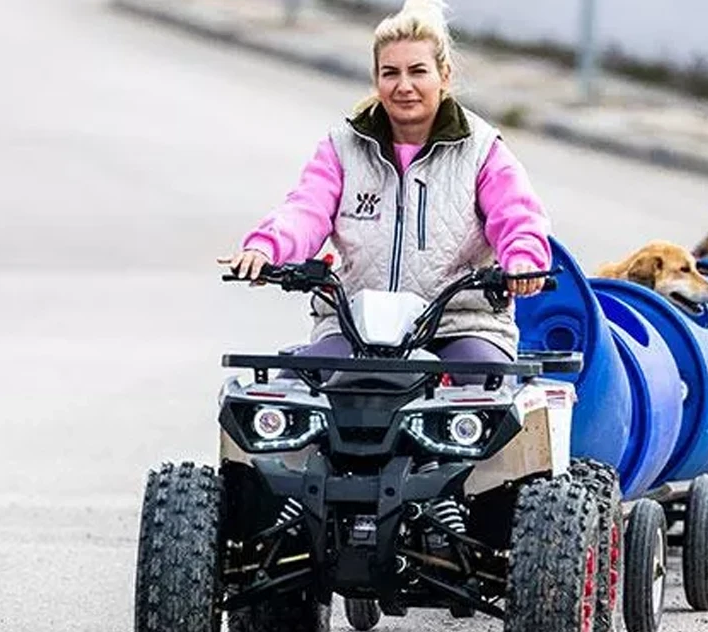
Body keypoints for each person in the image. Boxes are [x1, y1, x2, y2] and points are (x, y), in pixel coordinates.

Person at [218, 0, 552, 371]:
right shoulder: (342, 147)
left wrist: (523, 261)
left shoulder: (483, 150)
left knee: (486, 394)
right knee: (288, 397)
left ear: (445, 75)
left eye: (418, 71)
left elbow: (518, 218)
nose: (404, 86)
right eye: (390, 73)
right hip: (354, 326)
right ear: (376, 78)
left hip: (460, 324)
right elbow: (304, 210)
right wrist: (266, 249)